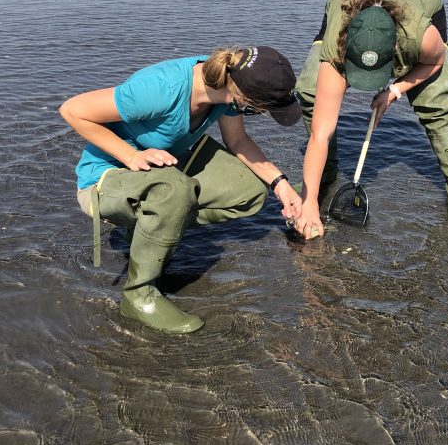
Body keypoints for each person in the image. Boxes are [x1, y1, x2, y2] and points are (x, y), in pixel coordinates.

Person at [60, 46, 303, 334]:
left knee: (249, 191)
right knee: (174, 189)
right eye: (262, 110)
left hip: (157, 173)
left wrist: (281, 185)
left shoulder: (227, 90)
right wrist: (131, 157)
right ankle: (138, 295)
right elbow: (72, 110)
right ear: (244, 99)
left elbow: (237, 141)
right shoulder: (162, 88)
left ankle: (152, 227)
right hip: (102, 183)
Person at [293, 0, 448, 240]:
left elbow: (434, 62)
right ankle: (325, 176)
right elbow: (321, 134)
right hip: (345, 4)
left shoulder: (420, 36)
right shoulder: (336, 48)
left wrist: (395, 90)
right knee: (310, 92)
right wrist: (309, 206)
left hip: (418, 4)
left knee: (436, 104)